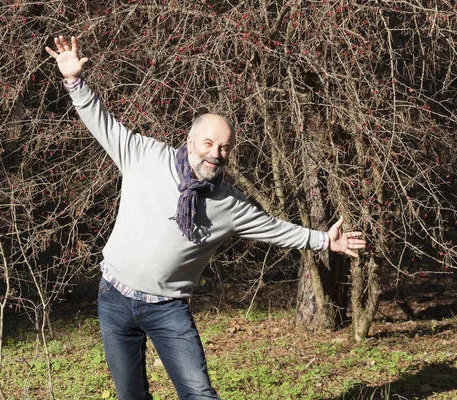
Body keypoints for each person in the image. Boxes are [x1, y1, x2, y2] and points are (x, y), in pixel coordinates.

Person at [46, 36, 366, 400]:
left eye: (225, 146)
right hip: (114, 297)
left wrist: (325, 240)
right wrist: (74, 81)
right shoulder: (145, 157)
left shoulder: (228, 204)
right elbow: (101, 123)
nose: (216, 153)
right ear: (189, 142)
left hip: (168, 310)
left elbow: (275, 230)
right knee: (130, 396)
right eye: (209, 144)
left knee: (199, 393)